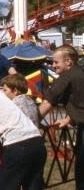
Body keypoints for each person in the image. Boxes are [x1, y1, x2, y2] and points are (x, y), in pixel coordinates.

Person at [38, 45, 84, 189]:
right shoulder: (80, 73)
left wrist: (31, 122)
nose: (53, 65)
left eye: (56, 62)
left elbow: (48, 102)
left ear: (68, 62)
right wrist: (69, 119)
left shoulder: (67, 76)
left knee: (82, 173)